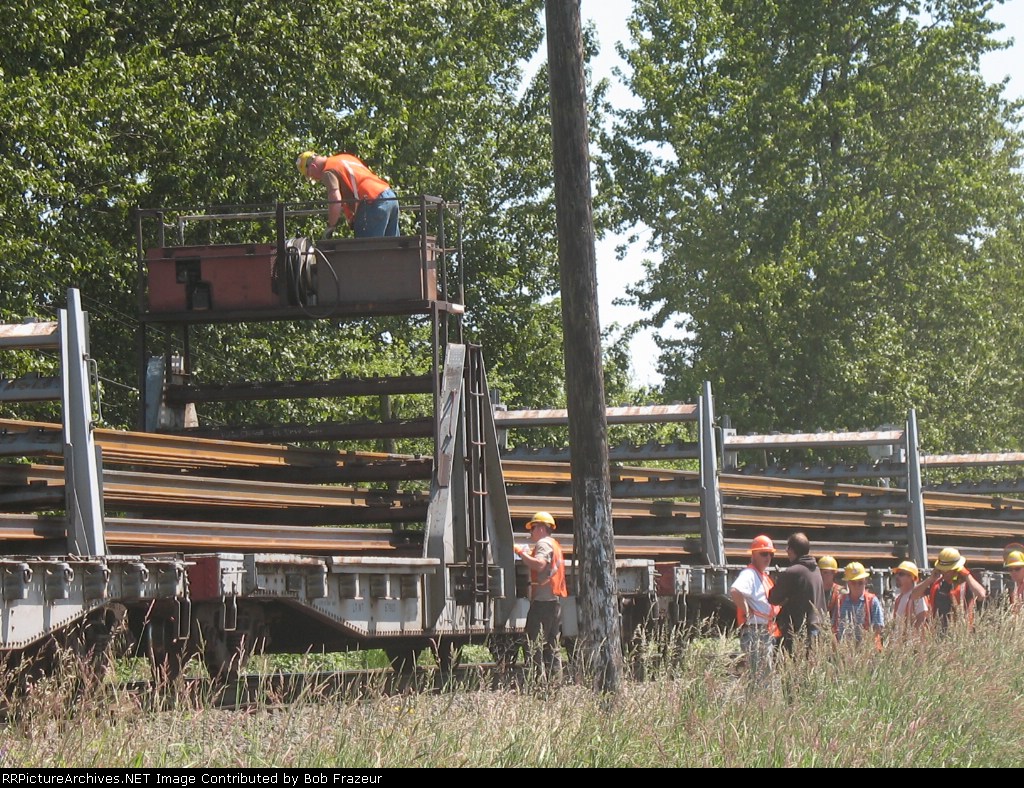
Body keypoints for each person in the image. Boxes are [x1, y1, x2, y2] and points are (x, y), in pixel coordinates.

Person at [296, 151, 400, 238]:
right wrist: (352, 218)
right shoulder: (344, 158)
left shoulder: (328, 171)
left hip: (371, 203)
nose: (314, 179)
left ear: (313, 166)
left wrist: (331, 226)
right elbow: (351, 189)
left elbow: (335, 199)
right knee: (392, 251)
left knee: (367, 254)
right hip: (390, 197)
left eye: (309, 175)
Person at [514, 511, 567, 678]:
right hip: (554, 601)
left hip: (543, 603)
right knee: (552, 645)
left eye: (533, 527)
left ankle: (537, 684)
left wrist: (521, 553)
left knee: (533, 644)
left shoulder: (543, 544)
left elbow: (540, 565)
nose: (531, 532)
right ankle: (554, 685)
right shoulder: (554, 544)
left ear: (543, 528)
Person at [729, 535, 779, 677]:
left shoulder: (762, 575)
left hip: (764, 630)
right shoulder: (749, 574)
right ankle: (759, 698)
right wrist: (746, 612)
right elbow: (735, 590)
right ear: (753, 554)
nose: (768, 557)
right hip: (755, 631)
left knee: (763, 674)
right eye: (763, 554)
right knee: (759, 675)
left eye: (770, 554)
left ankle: (761, 698)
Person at [767, 532, 825, 655]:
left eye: (787, 548)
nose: (787, 552)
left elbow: (773, 598)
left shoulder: (793, 572)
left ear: (792, 550)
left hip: (798, 632)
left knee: (793, 669)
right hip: (817, 629)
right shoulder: (816, 570)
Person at [911, 547, 987, 630]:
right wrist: (930, 579)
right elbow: (914, 596)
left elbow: (981, 595)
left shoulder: (967, 584)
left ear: (956, 569)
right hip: (938, 637)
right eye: (942, 570)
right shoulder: (936, 584)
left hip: (961, 636)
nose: (944, 573)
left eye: (947, 570)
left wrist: (967, 575)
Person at [835, 562, 884, 648]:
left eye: (860, 582)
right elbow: (835, 627)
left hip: (867, 652)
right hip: (844, 651)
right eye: (853, 583)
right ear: (848, 583)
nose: (857, 586)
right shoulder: (840, 601)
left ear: (865, 581)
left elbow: (878, 628)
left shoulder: (872, 601)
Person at [891, 560, 928, 629]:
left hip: (913, 639)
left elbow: (922, 620)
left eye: (901, 574)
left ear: (912, 577)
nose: (897, 576)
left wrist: (911, 638)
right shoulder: (898, 599)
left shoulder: (918, 596)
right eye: (896, 573)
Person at [818, 554, 843, 634]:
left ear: (834, 573)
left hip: (835, 632)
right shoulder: (814, 591)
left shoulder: (840, 592)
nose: (822, 575)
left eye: (825, 573)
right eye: (820, 572)